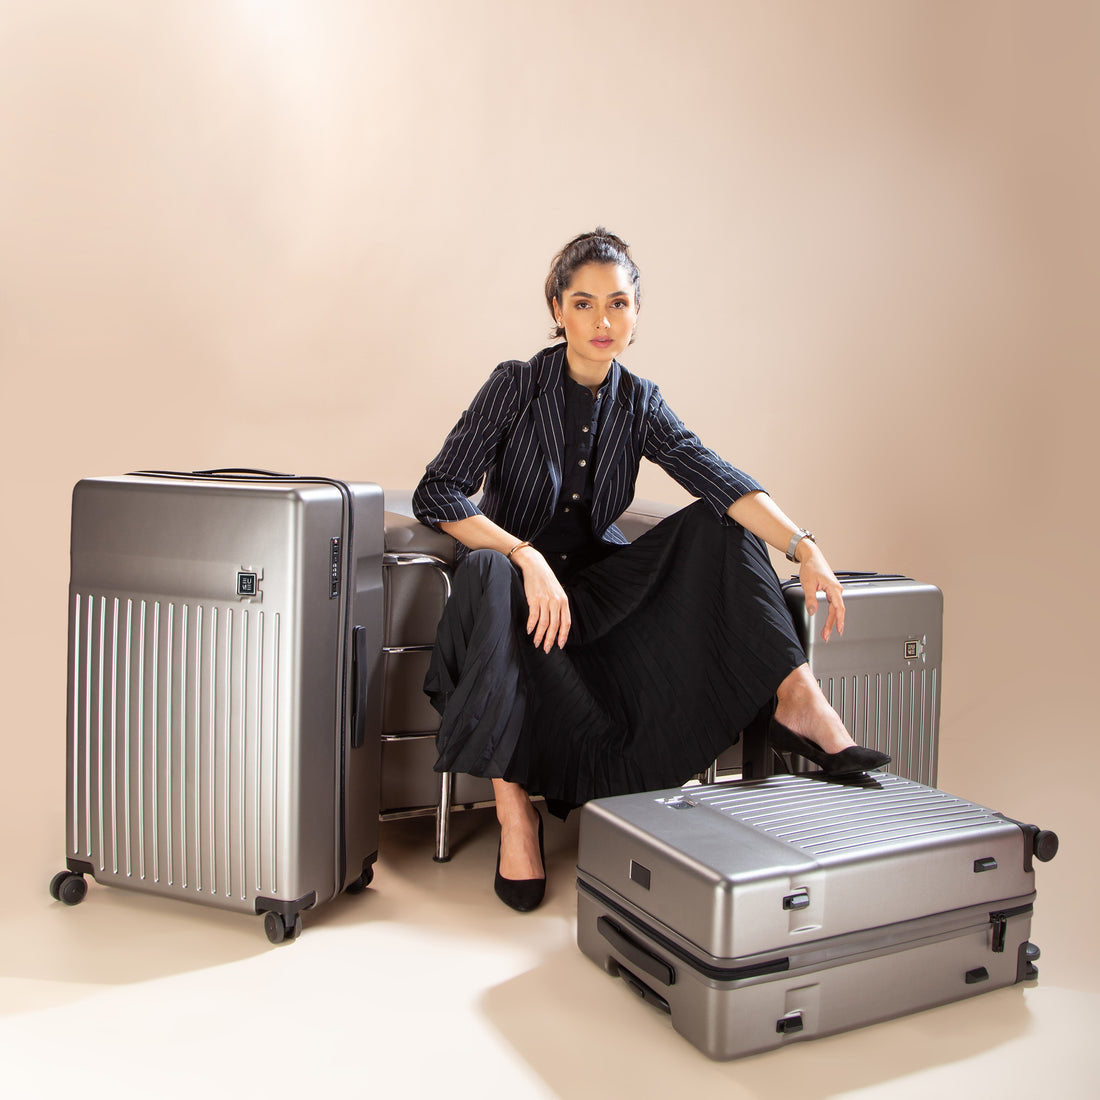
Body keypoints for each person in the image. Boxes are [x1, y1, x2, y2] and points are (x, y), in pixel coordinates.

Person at [412, 228, 889, 912]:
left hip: (596, 603)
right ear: (556, 309)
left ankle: (797, 700)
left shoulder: (639, 401)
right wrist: (523, 553)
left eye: (618, 304)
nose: (602, 322)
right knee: (487, 571)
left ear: (637, 314)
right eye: (583, 303)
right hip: (509, 599)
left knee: (720, 522)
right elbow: (438, 492)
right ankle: (516, 818)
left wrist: (804, 547)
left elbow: (717, 475)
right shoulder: (516, 385)